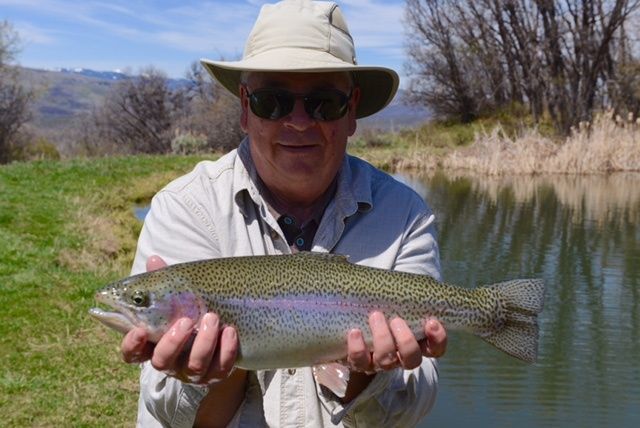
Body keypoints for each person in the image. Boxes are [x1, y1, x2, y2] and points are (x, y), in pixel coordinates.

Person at [120, 1, 447, 426]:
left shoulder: (406, 217)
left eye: (324, 103)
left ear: (351, 111)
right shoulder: (185, 207)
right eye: (272, 101)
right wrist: (204, 373)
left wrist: (362, 379)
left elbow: (412, 406)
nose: (297, 121)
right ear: (244, 107)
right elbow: (172, 414)